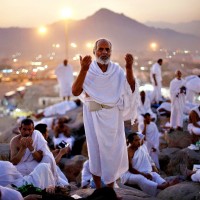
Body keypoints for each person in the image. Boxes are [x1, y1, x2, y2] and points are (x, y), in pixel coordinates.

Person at [72, 38, 139, 189]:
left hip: (113, 113)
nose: (104, 52)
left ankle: (110, 187)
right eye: (100, 49)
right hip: (94, 111)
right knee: (95, 148)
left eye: (107, 49)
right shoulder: (88, 70)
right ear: (94, 52)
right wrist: (83, 70)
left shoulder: (116, 70)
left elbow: (130, 88)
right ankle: (100, 189)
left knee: (114, 149)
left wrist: (129, 67)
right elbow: (76, 91)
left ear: (111, 52)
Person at [10, 118, 69, 187]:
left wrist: (31, 147)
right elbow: (14, 162)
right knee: (13, 171)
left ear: (33, 129)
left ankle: (51, 182)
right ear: (20, 129)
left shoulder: (37, 135)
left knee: (48, 158)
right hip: (22, 167)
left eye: (29, 130)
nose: (27, 132)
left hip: (36, 164)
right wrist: (23, 148)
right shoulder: (15, 141)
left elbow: (40, 159)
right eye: (24, 129)